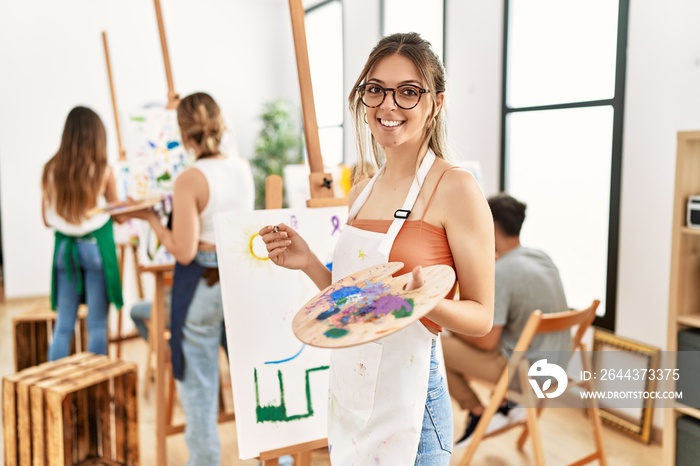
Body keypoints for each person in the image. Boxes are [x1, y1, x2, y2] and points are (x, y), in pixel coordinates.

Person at [260, 32, 495, 465]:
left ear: (436, 103)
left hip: (414, 408)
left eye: (408, 92)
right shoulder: (363, 189)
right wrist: (308, 262)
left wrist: (424, 303)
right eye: (376, 89)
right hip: (351, 397)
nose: (388, 106)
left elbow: (482, 317)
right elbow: (359, 302)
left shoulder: (455, 187)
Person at [127, 92, 254, 465]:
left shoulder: (190, 179)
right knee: (249, 378)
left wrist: (150, 219)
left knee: (198, 391)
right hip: (238, 277)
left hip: (201, 283)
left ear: (184, 134)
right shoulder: (241, 168)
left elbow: (182, 251)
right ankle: (275, 457)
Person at [441, 192, 570, 448]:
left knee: (435, 347)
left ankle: (479, 412)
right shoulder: (541, 257)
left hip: (525, 373)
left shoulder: (503, 271)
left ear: (492, 225)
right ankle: (505, 405)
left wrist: (452, 324)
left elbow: (487, 342)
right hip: (559, 363)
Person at [42, 106, 125, 361]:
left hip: (65, 251)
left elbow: (46, 219)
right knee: (97, 324)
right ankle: (96, 389)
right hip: (94, 249)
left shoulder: (50, 169)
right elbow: (119, 215)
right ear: (97, 136)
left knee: (64, 324)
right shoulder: (103, 170)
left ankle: (54, 389)